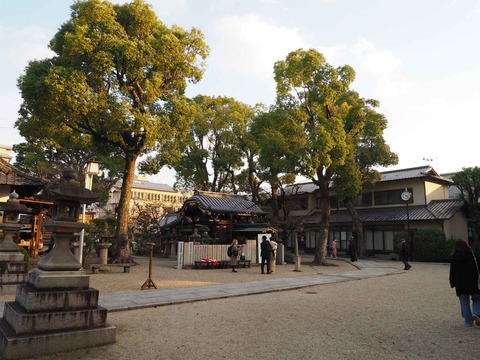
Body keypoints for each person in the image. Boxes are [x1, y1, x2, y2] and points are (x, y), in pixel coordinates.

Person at [449, 239, 480, 327]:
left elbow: (452, 271)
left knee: (464, 302)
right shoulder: (474, 255)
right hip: (474, 281)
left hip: (460, 283)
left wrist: (452, 282)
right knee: (477, 299)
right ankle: (477, 313)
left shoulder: (455, 257)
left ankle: (468, 322)